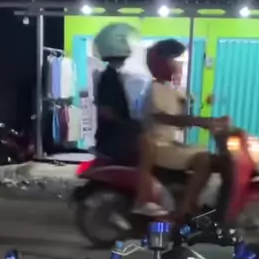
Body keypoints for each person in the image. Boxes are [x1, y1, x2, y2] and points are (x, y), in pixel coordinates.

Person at [134, 39, 230, 221]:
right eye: (174, 60)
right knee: (204, 159)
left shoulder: (171, 89)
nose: (178, 65)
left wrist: (213, 121)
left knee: (214, 158)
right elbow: (168, 118)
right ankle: (185, 207)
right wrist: (201, 121)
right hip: (158, 144)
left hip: (171, 143)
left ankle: (196, 202)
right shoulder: (154, 89)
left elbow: (182, 118)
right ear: (162, 62)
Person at [92, 23, 141, 165]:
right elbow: (105, 111)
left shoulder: (112, 75)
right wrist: (129, 125)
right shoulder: (109, 78)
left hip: (112, 138)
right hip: (113, 140)